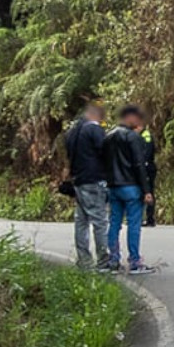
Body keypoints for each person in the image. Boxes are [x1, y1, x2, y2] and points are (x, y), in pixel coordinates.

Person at [104, 105, 156, 274]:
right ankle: (134, 261)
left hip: (113, 187)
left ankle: (113, 260)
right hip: (131, 186)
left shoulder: (108, 136)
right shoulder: (133, 137)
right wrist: (147, 190)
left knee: (114, 223)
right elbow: (139, 165)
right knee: (134, 224)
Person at [64, 103, 111, 270]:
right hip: (94, 180)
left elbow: (68, 155)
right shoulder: (94, 129)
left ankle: (84, 261)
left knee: (81, 221)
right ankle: (103, 261)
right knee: (100, 220)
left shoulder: (72, 132)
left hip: (78, 180)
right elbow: (106, 152)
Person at [140, 121, 158, 227]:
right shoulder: (141, 134)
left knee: (148, 191)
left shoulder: (145, 135)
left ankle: (150, 218)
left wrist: (143, 163)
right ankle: (146, 217)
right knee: (146, 191)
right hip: (147, 166)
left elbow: (148, 151)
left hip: (147, 167)